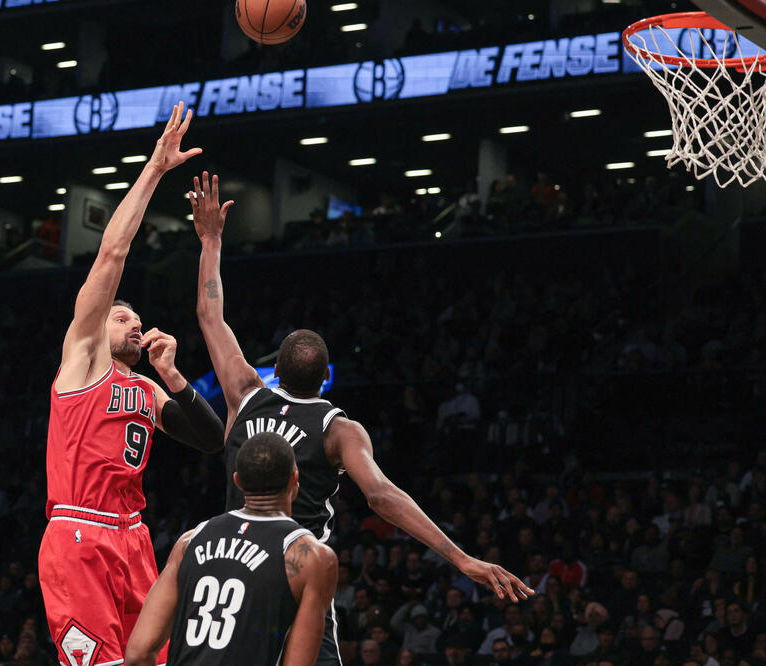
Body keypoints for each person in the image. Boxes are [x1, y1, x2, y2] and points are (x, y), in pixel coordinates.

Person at [187, 171, 534, 666]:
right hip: (295, 572)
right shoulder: (339, 429)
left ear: (274, 371)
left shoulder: (245, 393)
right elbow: (382, 496)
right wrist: (462, 559)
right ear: (325, 376)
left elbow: (209, 315)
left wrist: (211, 240)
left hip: (232, 567)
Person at [39, 102, 225, 666]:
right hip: (80, 536)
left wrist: (173, 376)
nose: (134, 323)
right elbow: (112, 253)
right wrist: (154, 169)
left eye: (137, 319)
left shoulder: (145, 390)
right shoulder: (83, 358)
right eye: (123, 317)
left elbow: (213, 440)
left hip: (135, 539)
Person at [124, 433, 338, 666]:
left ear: (237, 481)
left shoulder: (189, 541)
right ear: (294, 479)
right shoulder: (312, 557)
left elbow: (138, 654)